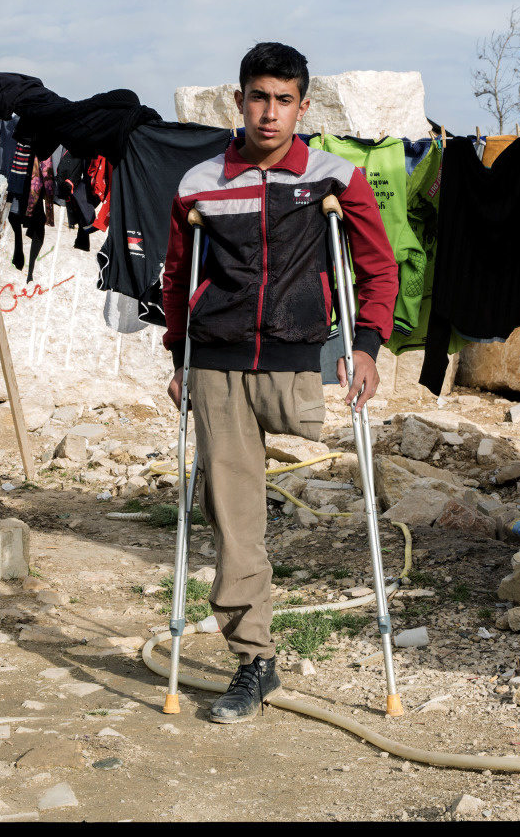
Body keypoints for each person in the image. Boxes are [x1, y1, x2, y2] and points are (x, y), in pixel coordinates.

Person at [160, 42, 398, 722]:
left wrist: (369, 347)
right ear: (239, 101)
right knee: (234, 520)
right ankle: (254, 660)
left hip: (297, 359)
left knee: (324, 501)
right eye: (258, 97)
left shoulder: (334, 178)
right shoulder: (198, 183)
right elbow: (178, 278)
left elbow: (379, 270)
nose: (270, 113)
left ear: (304, 105)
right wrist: (179, 354)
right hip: (217, 363)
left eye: (284, 99)